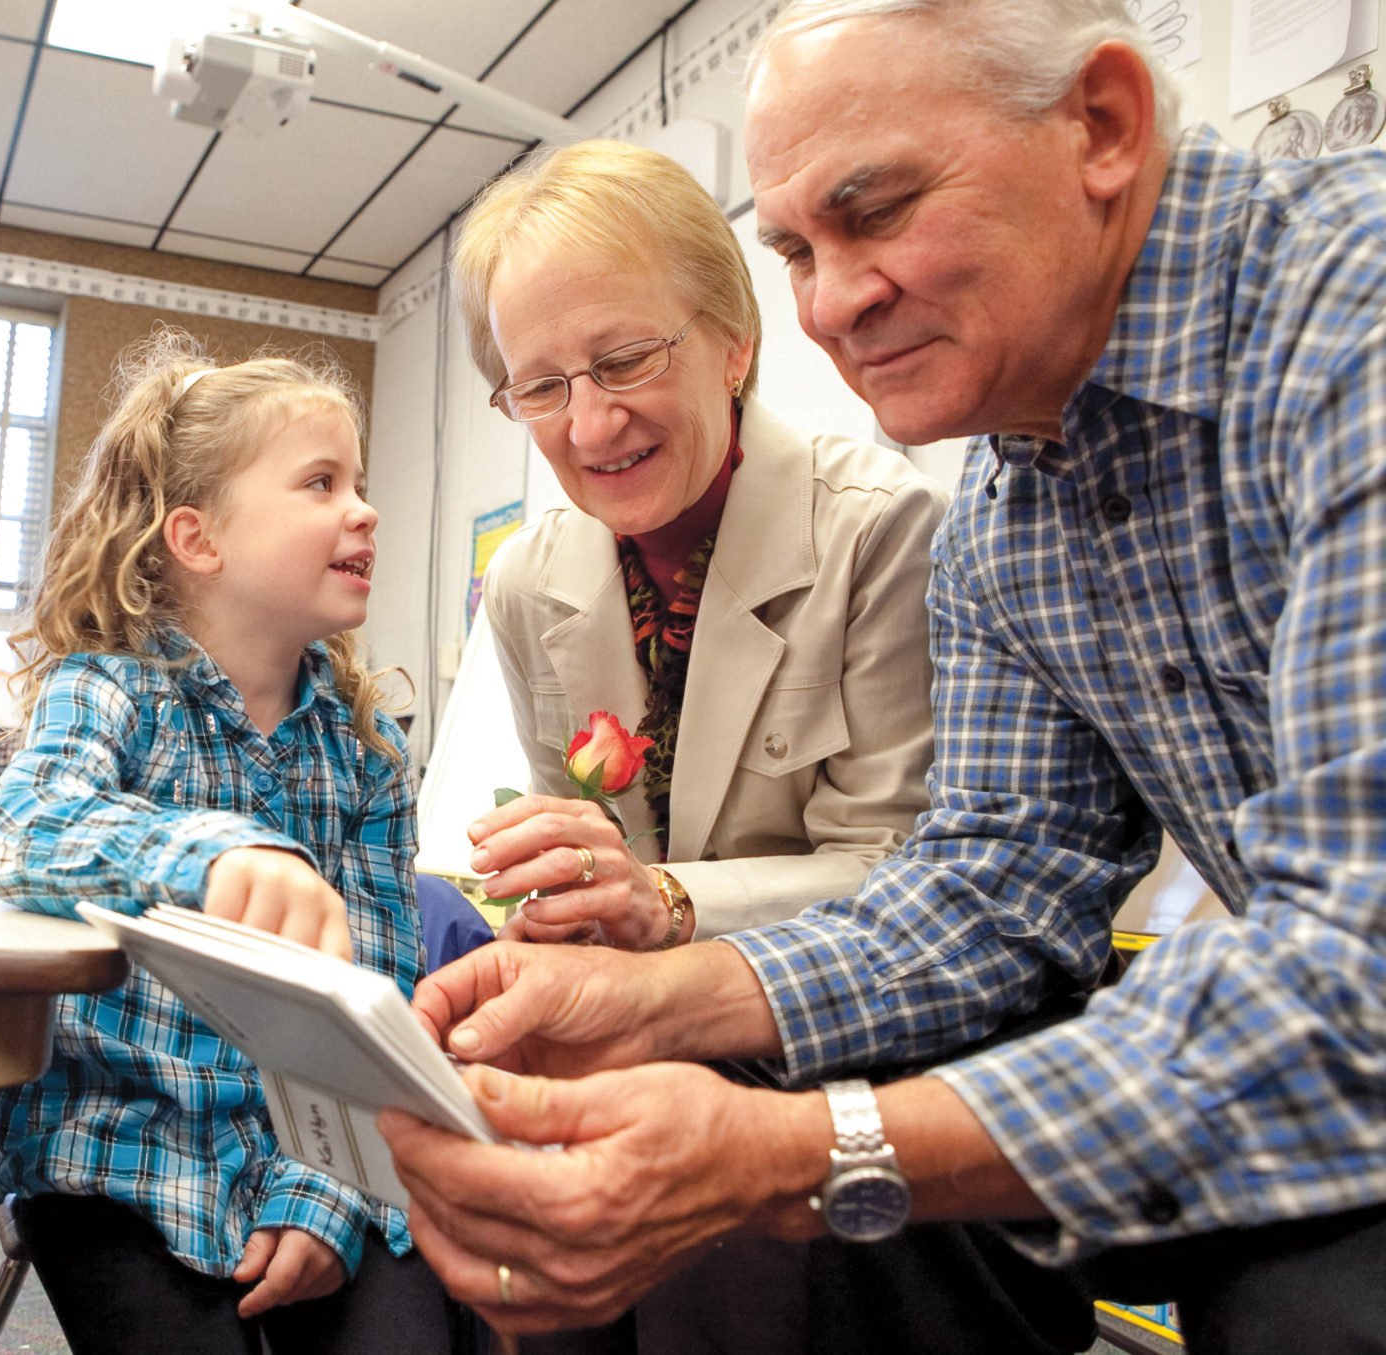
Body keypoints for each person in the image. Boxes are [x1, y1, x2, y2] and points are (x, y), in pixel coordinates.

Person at [379, 2, 1386, 1352]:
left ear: (1104, 124)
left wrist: (790, 1149)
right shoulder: (1007, 508)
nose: (835, 301)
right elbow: (987, 889)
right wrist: (636, 997)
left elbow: (1354, 966)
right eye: (797, 246)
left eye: (881, 211)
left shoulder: (1350, 328)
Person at [446, 138, 1094, 1355]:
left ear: (734, 342)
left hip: (860, 1041)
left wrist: (663, 903)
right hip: (652, 1026)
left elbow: (912, 880)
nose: (589, 422)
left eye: (625, 358)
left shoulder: (880, 529)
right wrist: (554, 900)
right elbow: (587, 856)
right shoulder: (530, 579)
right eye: (538, 387)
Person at [0, 329, 460, 1353]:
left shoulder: (366, 758)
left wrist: (325, 1193)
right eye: (320, 482)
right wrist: (219, 854)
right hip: (115, 1156)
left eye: (359, 483)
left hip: (315, 1157)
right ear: (198, 539)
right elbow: (27, 829)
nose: (363, 509)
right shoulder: (104, 687)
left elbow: (378, 994)